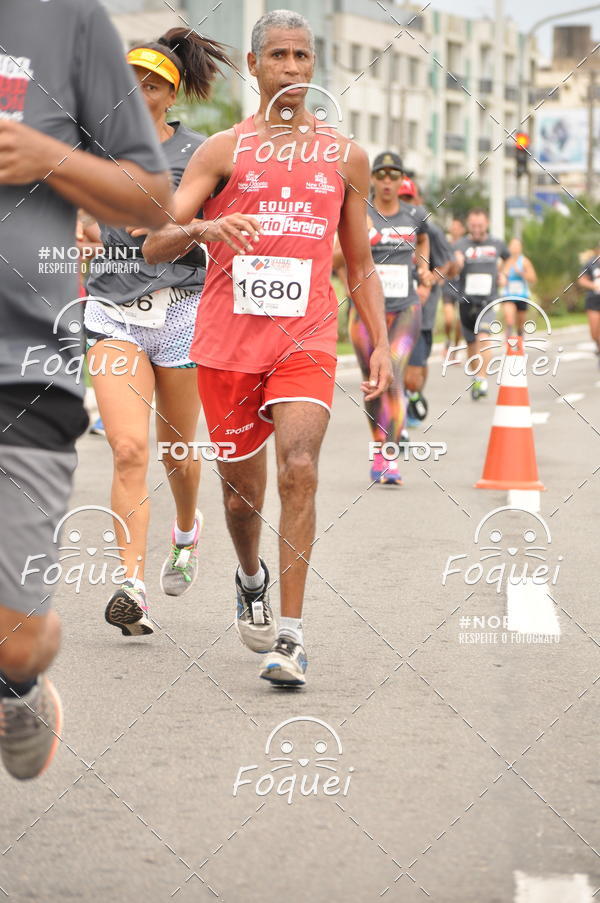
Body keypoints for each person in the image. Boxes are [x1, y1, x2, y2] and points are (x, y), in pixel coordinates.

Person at [144, 9, 392, 687]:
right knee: (239, 501)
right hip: (227, 340)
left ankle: (292, 635)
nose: (291, 68)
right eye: (278, 55)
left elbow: (360, 264)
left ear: (314, 67)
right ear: (254, 66)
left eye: (302, 57)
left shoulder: (345, 157)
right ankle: (248, 575)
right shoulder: (223, 150)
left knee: (300, 465)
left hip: (305, 337)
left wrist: (378, 344)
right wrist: (209, 227)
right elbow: (157, 242)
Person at [0, 0, 171, 780]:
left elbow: (153, 198)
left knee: (15, 635)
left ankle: (21, 680)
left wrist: (47, 157)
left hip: (23, 366)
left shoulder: (67, 21)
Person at [84, 29, 234, 637]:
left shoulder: (202, 155)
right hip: (113, 313)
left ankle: (187, 530)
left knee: (178, 452)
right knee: (127, 449)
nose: (137, 94)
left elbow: (230, 229)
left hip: (183, 311)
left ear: (170, 96)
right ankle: (132, 585)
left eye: (152, 85)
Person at [334, 159, 429, 484]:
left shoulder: (414, 216)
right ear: (373, 179)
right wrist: (366, 239)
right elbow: (334, 256)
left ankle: (389, 456)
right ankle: (379, 447)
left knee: (393, 376)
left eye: (394, 176)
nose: (387, 181)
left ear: (401, 180)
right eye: (381, 175)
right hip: (365, 314)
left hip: (405, 309)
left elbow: (427, 241)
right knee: (373, 382)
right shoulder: (360, 214)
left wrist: (424, 271)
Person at [402, 180, 453, 428]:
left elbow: (446, 264)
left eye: (408, 199)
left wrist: (429, 282)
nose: (404, 204)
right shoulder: (382, 227)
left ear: (417, 201)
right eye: (401, 198)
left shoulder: (430, 231)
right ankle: (399, 405)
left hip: (422, 310)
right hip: (393, 308)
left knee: (414, 373)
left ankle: (414, 393)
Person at [453, 209, 509, 400]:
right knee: (470, 344)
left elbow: (508, 258)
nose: (477, 229)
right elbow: (449, 268)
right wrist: (457, 263)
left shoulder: (497, 243)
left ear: (487, 224)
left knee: (484, 338)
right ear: (468, 225)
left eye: (480, 225)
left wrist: (504, 274)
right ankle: (476, 377)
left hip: (488, 300)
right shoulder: (460, 245)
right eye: (473, 225)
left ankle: (483, 378)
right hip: (466, 301)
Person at [502, 238, 537, 336]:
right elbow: (500, 277)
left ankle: (519, 342)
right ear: (509, 247)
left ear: (521, 248)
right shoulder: (505, 262)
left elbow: (533, 278)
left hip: (522, 296)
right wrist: (504, 274)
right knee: (509, 320)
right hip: (508, 295)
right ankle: (509, 345)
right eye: (512, 246)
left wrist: (521, 273)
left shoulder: (524, 261)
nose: (514, 248)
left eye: (517, 246)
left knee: (520, 324)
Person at [442, 217, 466, 356]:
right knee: (449, 319)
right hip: (448, 285)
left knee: (459, 322)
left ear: (462, 230)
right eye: (453, 227)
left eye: (458, 227)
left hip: (462, 286)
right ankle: (447, 339)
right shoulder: (445, 244)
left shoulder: (467, 245)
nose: (455, 230)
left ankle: (456, 348)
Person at [577, 247, 600, 364]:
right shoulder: (591, 263)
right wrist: (594, 286)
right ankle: (598, 346)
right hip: (594, 300)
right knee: (594, 333)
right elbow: (582, 280)